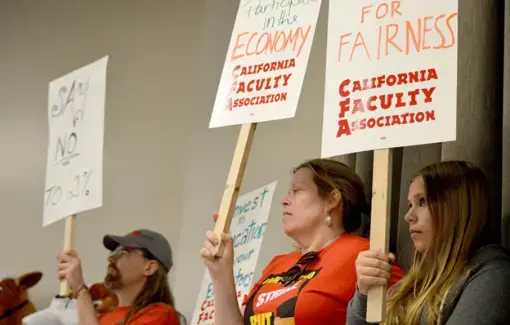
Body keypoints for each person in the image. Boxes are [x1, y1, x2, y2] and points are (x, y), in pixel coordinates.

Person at [200, 158, 405, 325]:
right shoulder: (278, 264)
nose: (285, 200)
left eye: (297, 190)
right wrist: (221, 274)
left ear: (332, 199)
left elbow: (403, 316)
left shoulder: (364, 254)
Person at [347, 160, 510, 324]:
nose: (408, 216)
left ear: (457, 207)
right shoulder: (409, 284)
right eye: (410, 205)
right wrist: (364, 293)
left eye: (422, 202)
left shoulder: (493, 274)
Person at [57, 228, 185, 325]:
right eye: (113, 251)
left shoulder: (161, 315)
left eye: (122, 251)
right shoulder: (101, 319)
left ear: (149, 267)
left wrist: (80, 290)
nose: (110, 257)